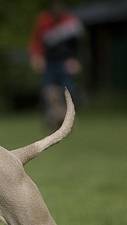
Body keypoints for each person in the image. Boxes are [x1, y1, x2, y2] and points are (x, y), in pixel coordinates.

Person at [28, 0, 84, 129]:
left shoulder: (71, 22)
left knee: (68, 92)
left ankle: (69, 122)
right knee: (48, 93)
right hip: (49, 63)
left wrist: (76, 60)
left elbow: (78, 44)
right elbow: (36, 41)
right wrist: (36, 56)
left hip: (66, 63)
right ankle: (51, 121)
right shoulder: (43, 21)